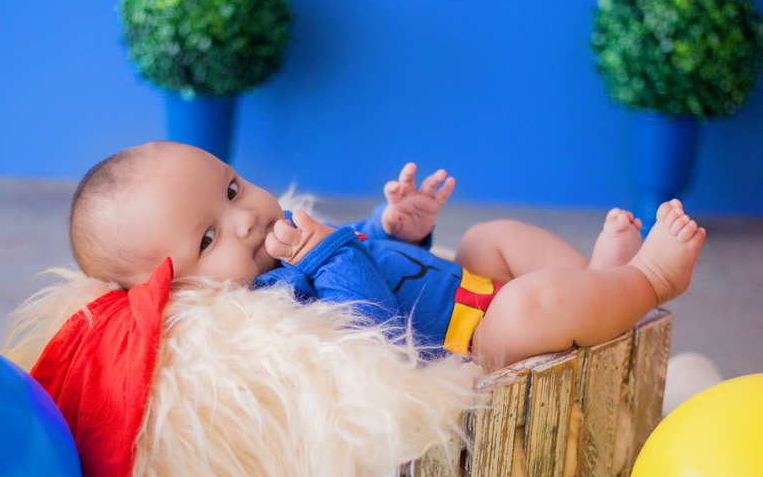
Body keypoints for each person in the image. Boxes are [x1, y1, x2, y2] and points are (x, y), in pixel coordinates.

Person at [66, 140, 704, 371]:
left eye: (232, 187)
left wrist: (397, 226)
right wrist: (326, 252)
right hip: (472, 347)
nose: (247, 215)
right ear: (175, 291)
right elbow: (372, 333)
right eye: (208, 238)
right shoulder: (263, 312)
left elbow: (374, 253)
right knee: (529, 306)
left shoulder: (282, 241)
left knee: (491, 235)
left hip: (465, 290)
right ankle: (648, 279)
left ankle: (600, 285)